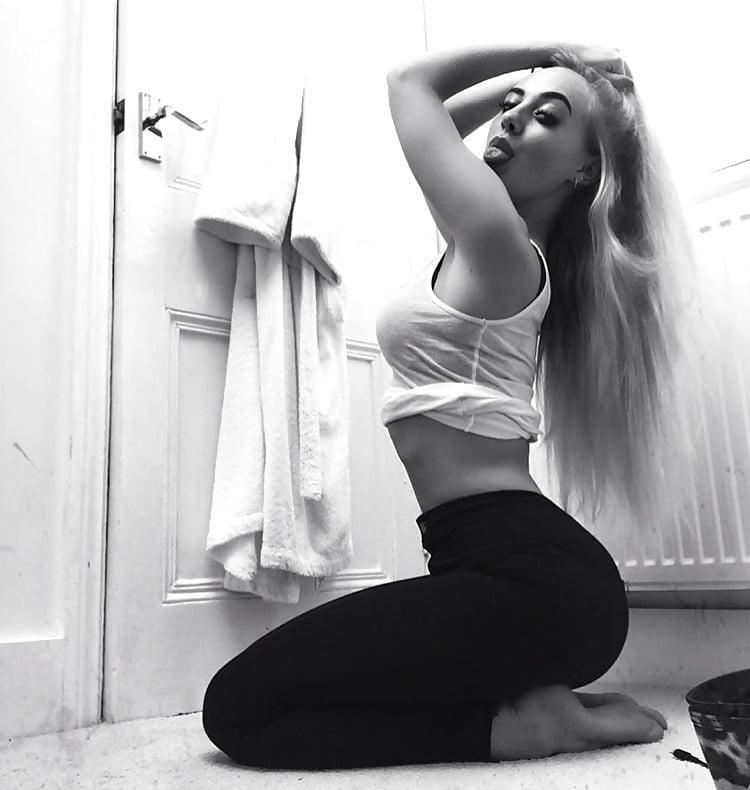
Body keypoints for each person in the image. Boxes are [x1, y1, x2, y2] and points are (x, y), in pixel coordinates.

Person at [201, 40, 703, 769]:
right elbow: (442, 120)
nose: (511, 120)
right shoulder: (484, 245)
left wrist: (550, 51)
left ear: (585, 169)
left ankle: (524, 728)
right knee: (274, 698)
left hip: (530, 582)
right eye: (510, 106)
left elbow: (412, 85)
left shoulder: (497, 241)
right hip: (517, 580)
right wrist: (543, 86)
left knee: (238, 709)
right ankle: (534, 693)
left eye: (547, 118)